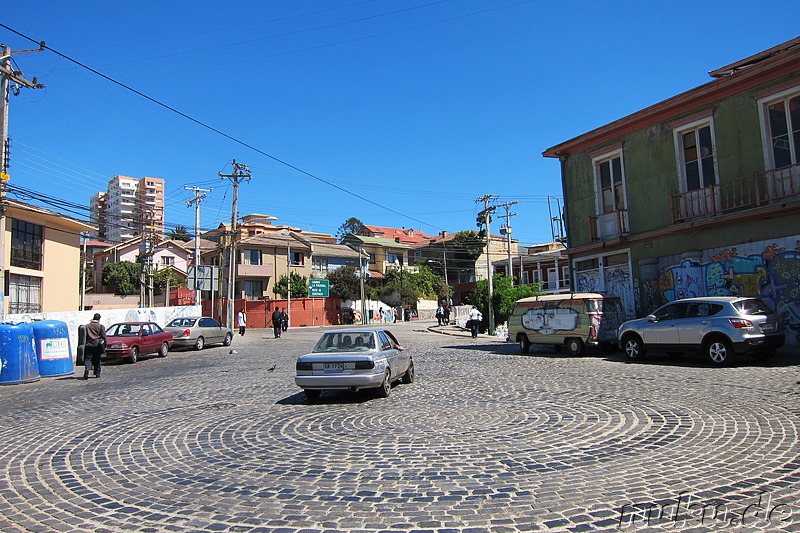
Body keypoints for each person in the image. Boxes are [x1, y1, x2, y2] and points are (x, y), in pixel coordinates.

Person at [83, 313, 106, 380]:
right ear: (99, 319)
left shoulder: (87, 326)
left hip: (88, 345)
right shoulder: (101, 327)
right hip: (97, 345)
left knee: (88, 358)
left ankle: (87, 369)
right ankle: (97, 373)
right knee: (97, 359)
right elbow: (104, 336)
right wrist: (105, 345)